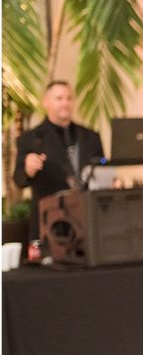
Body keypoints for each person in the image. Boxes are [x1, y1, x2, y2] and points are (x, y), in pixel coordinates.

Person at [13, 80, 104, 240]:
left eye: (69, 98)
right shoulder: (31, 139)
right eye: (59, 98)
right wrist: (28, 169)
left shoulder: (90, 137)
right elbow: (19, 179)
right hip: (50, 223)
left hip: (87, 222)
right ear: (45, 102)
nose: (65, 103)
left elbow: (102, 169)